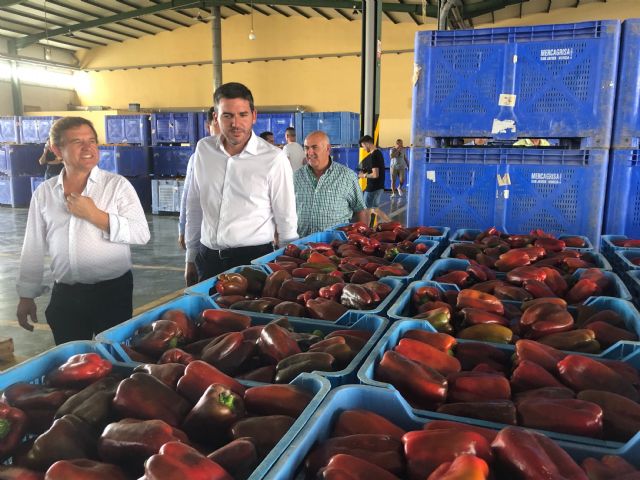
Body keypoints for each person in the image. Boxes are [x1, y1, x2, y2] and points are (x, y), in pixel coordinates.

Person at [16, 117, 150, 344]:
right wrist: (26, 295)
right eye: (78, 142)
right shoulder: (45, 193)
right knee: (72, 363)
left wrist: (95, 215)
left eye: (92, 141)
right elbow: (33, 245)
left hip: (111, 293)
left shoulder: (116, 186)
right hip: (66, 295)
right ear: (57, 149)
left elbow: (140, 233)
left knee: (114, 357)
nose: (88, 148)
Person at [184, 82, 298, 285]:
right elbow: (195, 204)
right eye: (227, 115)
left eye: (242, 115)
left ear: (254, 116)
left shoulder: (273, 158)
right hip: (207, 258)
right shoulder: (204, 150)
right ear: (216, 117)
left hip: (252, 262)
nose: (235, 123)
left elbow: (286, 219)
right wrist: (191, 257)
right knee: (204, 315)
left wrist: (286, 269)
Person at [294, 131, 367, 237]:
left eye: (314, 147)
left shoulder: (347, 176)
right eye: (306, 148)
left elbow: (360, 210)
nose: (309, 152)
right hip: (301, 246)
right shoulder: (296, 177)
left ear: (328, 149)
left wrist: (361, 238)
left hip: (335, 246)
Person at [178, 106, 218, 251]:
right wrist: (183, 228)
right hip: (205, 238)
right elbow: (189, 198)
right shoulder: (198, 158)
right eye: (217, 123)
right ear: (208, 126)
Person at [358, 135, 386, 208]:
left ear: (367, 143)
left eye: (363, 146)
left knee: (367, 211)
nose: (363, 148)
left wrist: (363, 176)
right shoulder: (378, 153)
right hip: (378, 187)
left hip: (373, 188)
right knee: (373, 211)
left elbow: (375, 174)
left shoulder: (374, 155)